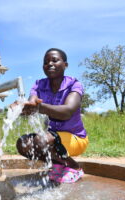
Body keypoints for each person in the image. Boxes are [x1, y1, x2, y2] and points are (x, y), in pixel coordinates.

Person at [15, 48, 89, 183]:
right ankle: (59, 164)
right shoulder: (39, 84)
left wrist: (40, 107)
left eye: (55, 60)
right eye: (46, 62)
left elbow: (67, 112)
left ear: (65, 64)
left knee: (41, 140)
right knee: (23, 144)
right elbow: (33, 102)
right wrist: (22, 108)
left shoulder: (74, 84)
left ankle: (75, 167)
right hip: (52, 137)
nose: (50, 64)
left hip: (76, 139)